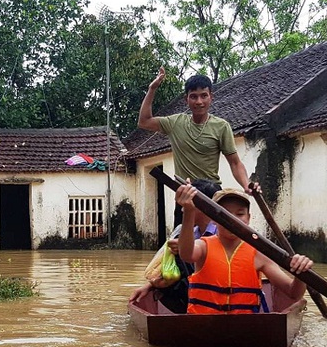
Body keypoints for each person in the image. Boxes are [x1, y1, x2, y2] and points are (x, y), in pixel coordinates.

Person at [138, 67, 255, 225]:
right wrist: (152, 88)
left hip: (212, 194)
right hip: (185, 193)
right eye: (193, 97)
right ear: (186, 99)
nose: (199, 102)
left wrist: (247, 185)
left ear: (210, 97)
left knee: (213, 242)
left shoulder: (221, 126)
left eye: (203, 96)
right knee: (181, 246)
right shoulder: (175, 122)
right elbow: (144, 121)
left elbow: (235, 162)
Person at [176, 183, 313, 315]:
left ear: (248, 218)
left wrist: (300, 274)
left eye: (240, 214)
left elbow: (293, 293)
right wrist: (189, 212)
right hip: (203, 326)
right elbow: (186, 254)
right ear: (213, 219)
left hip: (244, 328)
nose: (232, 219)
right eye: (225, 213)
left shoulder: (259, 253)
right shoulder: (203, 246)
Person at [128, 179, 220, 313]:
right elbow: (164, 268)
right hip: (194, 294)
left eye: (188, 203)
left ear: (203, 207)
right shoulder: (184, 232)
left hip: (216, 291)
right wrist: (149, 286)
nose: (183, 209)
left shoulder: (224, 233)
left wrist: (186, 249)